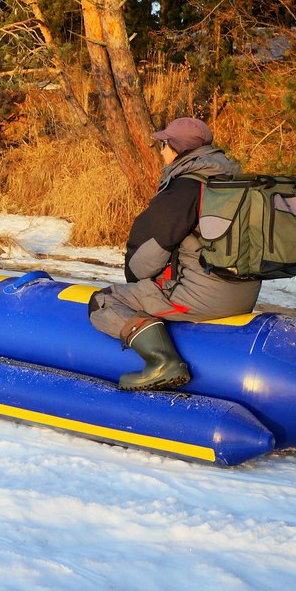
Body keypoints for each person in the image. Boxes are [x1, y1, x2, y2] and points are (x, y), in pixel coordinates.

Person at [87, 116, 262, 391]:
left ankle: (162, 362)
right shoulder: (236, 182)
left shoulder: (187, 187)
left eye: (165, 144)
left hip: (204, 299)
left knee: (104, 300)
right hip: (244, 296)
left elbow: (147, 260)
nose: (161, 150)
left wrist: (134, 276)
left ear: (178, 149)